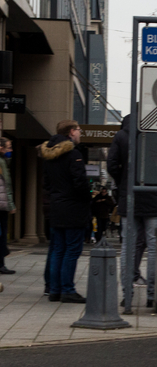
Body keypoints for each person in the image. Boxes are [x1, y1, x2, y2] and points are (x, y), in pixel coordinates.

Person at [107, 114, 157, 308]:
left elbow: (111, 165)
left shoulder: (121, 136)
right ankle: (151, 294)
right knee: (154, 247)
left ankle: (127, 295)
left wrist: (124, 181)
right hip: (153, 197)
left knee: (128, 248)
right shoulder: (155, 134)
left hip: (128, 197)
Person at [39, 120, 91, 303]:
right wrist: (87, 199)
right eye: (78, 130)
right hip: (73, 209)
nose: (80, 132)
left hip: (56, 207)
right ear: (71, 132)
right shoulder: (73, 154)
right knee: (71, 250)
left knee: (57, 250)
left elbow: (46, 184)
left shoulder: (47, 156)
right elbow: (80, 183)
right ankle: (67, 289)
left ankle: (54, 290)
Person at [0, 138, 16, 274]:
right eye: (8, 147)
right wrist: (10, 204)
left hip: (2, 203)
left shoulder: (3, 161)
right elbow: (6, 185)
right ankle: (1, 264)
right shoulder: (1, 163)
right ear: (1, 148)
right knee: (2, 235)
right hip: (1, 205)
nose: (10, 150)